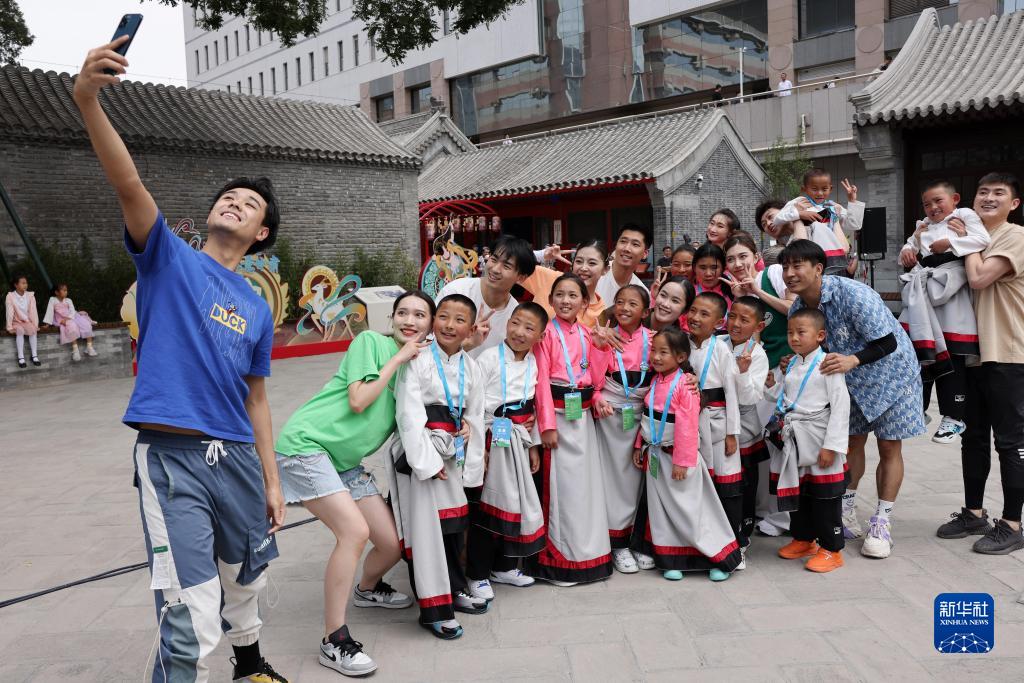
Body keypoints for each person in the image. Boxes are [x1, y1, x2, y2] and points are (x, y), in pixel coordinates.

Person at [75, 38, 288, 683]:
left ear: (261, 234)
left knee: (248, 575)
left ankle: (250, 665)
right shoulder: (167, 258)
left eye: (249, 204)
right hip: (173, 458)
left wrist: (272, 480)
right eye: (229, 195)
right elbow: (128, 182)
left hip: (238, 457)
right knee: (190, 610)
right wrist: (88, 100)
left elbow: (256, 398)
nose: (235, 201)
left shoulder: (256, 306)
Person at [273, 291, 436, 676]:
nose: (409, 321)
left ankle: (367, 588)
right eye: (402, 313)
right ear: (391, 318)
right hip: (307, 445)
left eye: (419, 315)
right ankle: (334, 640)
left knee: (392, 544)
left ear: (430, 324)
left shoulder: (420, 367)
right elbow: (359, 400)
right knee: (354, 532)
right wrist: (398, 358)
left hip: (345, 463)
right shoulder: (371, 342)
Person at [782, 240, 924, 560]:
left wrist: (853, 360)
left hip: (892, 377)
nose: (790, 273)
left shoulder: (853, 294)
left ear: (818, 269)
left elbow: (887, 342)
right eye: (786, 267)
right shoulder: (797, 308)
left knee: (889, 446)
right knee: (851, 443)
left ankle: (882, 521)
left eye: (797, 265)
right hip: (848, 383)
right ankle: (846, 510)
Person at [387, 294, 487, 639]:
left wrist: (470, 450)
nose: (449, 325)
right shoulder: (417, 359)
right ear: (433, 321)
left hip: (452, 455)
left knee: (452, 527)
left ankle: (455, 589)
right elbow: (408, 414)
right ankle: (433, 609)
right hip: (422, 457)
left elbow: (476, 413)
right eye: (443, 316)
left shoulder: (471, 366)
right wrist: (427, 463)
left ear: (471, 330)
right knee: (426, 533)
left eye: (460, 320)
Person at [935, 172, 1024, 555]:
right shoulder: (970, 237)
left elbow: (980, 278)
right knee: (972, 437)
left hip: (1008, 353)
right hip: (972, 355)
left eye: (998, 193)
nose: (988, 198)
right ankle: (974, 513)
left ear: (1013, 203)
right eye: (982, 192)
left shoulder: (1015, 237)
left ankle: (1013, 524)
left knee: (1010, 442)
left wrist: (966, 240)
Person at [630, 327, 741, 581]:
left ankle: (716, 558)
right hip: (657, 456)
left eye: (663, 352)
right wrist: (639, 445)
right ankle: (672, 559)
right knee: (665, 513)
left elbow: (688, 428)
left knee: (692, 509)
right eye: (654, 351)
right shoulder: (655, 380)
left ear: (680, 357)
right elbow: (647, 417)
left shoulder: (685, 386)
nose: (656, 357)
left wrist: (682, 461)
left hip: (679, 461)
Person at [531, 273, 613, 585]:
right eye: (560, 295)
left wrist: (601, 349)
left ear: (584, 302)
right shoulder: (545, 335)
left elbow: (595, 379)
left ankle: (590, 556)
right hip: (558, 418)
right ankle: (561, 561)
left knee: (585, 489)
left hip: (583, 419)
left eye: (573, 295)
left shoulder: (588, 333)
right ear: (550, 299)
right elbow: (541, 382)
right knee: (562, 490)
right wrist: (547, 425)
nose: (566, 301)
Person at [466, 303, 549, 600]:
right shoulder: (488, 358)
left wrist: (533, 447)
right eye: (516, 323)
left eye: (529, 328)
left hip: (518, 442)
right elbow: (474, 406)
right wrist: (480, 449)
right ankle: (477, 574)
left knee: (514, 504)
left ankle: (503, 566)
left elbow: (533, 408)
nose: (519, 332)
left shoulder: (534, 363)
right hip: (493, 438)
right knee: (489, 507)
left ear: (540, 336)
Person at [898, 181, 988, 444]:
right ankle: (919, 407)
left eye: (938, 201)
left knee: (953, 353)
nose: (933, 207)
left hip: (952, 289)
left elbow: (983, 240)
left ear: (955, 199)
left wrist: (951, 242)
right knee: (920, 353)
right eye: (927, 203)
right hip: (925, 292)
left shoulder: (964, 215)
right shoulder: (922, 225)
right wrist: (908, 252)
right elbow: (908, 248)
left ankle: (954, 416)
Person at [768, 309, 850, 573]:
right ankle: (804, 539)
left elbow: (841, 406)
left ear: (820, 335)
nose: (794, 337)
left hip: (819, 437)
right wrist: (770, 385)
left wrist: (832, 446)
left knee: (825, 497)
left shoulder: (828, 364)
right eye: (790, 332)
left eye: (801, 332)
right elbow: (784, 398)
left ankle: (831, 549)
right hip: (795, 437)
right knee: (799, 491)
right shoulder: (792, 363)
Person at [591, 285, 655, 573]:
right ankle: (615, 543)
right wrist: (596, 397)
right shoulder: (603, 336)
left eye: (632, 304)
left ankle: (636, 540)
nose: (625, 308)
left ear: (645, 311)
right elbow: (591, 376)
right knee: (610, 479)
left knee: (638, 480)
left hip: (642, 417)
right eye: (620, 302)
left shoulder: (654, 339)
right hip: (609, 417)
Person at [687, 292, 743, 554]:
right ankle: (701, 541)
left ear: (719, 322)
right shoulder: (682, 344)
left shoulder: (721, 349)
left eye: (704, 314)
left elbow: (731, 392)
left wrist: (732, 433)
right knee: (698, 483)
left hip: (718, 423)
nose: (695, 318)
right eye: (693, 311)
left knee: (725, 481)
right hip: (690, 422)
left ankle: (734, 544)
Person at [437, 235, 537, 357]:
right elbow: (430, 348)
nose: (495, 269)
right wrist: (470, 343)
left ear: (521, 278)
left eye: (506, 266)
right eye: (493, 259)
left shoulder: (516, 316)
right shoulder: (456, 292)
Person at [724, 296, 769, 547]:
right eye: (732, 316)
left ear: (758, 326)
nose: (736, 324)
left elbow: (751, 397)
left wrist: (742, 371)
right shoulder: (719, 343)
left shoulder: (757, 355)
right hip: (719, 423)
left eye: (744, 320)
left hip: (743, 427)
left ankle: (742, 533)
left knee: (744, 483)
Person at [722, 233, 795, 368]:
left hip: (791, 358)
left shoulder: (773, 273)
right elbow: (753, 338)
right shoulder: (739, 293)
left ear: (756, 257)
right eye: (730, 259)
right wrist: (743, 298)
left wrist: (758, 292)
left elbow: (794, 309)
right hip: (766, 365)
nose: (737, 264)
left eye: (743, 256)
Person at [773, 170, 863, 275]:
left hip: (830, 259)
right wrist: (799, 214)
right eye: (814, 189)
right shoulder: (799, 202)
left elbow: (854, 224)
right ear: (804, 189)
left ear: (830, 189)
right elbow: (777, 219)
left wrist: (852, 201)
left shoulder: (832, 206)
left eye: (824, 189)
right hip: (805, 255)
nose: (820, 193)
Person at [530, 240, 611, 328]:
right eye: (579, 261)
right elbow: (518, 265)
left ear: (605, 269)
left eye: (592, 263)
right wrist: (541, 255)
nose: (583, 268)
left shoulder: (600, 312)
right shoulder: (552, 278)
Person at [595, 223, 651, 306]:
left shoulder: (642, 293)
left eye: (635, 244)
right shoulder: (595, 274)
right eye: (623, 241)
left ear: (645, 254)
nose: (626, 248)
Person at [43, 283, 98, 361]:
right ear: (57, 292)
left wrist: (68, 318)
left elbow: (72, 311)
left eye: (66, 290)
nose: (66, 292)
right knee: (71, 326)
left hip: (71, 316)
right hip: (61, 318)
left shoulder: (68, 300)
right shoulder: (52, 300)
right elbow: (50, 311)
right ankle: (75, 350)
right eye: (64, 290)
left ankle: (89, 347)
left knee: (85, 323)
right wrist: (47, 323)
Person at [5, 275, 40, 368]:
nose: (25, 285)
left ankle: (34, 355)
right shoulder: (10, 296)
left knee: (33, 330)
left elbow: (33, 311)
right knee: (19, 330)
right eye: (23, 283)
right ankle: (21, 357)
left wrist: (35, 325)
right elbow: (9, 312)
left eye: (26, 283)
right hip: (16, 322)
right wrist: (9, 327)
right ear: (16, 285)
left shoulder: (30, 296)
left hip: (26, 321)